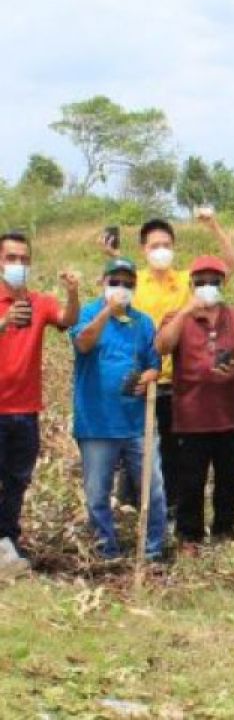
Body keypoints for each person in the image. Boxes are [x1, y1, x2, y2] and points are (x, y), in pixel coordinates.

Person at [105, 216, 234, 518]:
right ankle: (131, 502)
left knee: (171, 449)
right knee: (134, 443)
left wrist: (214, 225)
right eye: (155, 246)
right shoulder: (135, 283)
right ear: (143, 249)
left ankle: (169, 507)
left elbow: (230, 265)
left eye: (167, 245)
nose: (161, 251)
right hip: (140, 378)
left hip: (175, 380)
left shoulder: (186, 281)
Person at [70, 257, 165, 560]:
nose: (121, 288)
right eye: (115, 282)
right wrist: (107, 312)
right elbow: (83, 343)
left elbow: (154, 365)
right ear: (103, 283)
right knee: (98, 494)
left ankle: (152, 550)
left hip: (137, 423)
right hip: (96, 423)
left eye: (128, 283)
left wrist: (150, 376)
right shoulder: (86, 314)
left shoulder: (143, 322)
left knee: (153, 490)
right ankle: (106, 550)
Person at [154, 256, 234, 548]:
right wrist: (185, 312)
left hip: (230, 415)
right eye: (201, 282)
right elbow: (162, 346)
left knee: (229, 479)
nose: (208, 287)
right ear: (191, 284)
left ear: (224, 283)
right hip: (191, 415)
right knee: (190, 481)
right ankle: (189, 535)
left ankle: (223, 530)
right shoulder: (177, 317)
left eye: (214, 281)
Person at [0, 231, 80, 571]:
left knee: (17, 479)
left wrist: (73, 293)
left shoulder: (41, 301)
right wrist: (3, 323)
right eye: (11, 258)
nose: (18, 264)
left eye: (23, 259)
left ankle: (7, 540)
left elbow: (68, 320)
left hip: (26, 410)